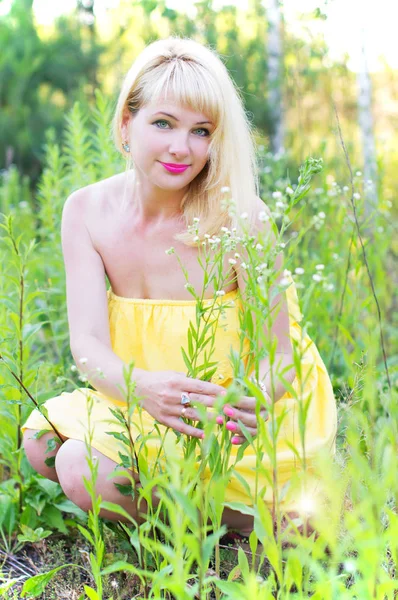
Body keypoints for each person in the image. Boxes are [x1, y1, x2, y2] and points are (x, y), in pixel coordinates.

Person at [22, 36, 337, 536]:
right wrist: (143, 388)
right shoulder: (85, 211)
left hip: (232, 415)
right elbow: (86, 345)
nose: (180, 147)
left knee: (304, 521)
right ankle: (195, 523)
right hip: (145, 397)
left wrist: (242, 399)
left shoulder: (243, 217)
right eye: (163, 123)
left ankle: (240, 522)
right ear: (127, 123)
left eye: (201, 131)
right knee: (50, 449)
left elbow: (282, 357)